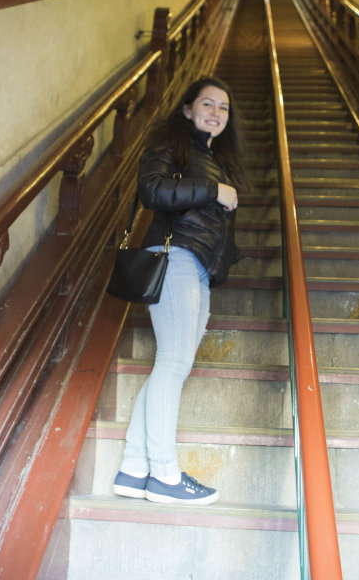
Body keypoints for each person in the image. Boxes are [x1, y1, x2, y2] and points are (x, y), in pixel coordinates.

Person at [112, 76, 248, 505]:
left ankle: (134, 469)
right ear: (187, 109)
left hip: (198, 266)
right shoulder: (175, 145)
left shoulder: (213, 158)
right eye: (207, 104)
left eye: (224, 108)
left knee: (174, 365)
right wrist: (214, 190)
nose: (216, 113)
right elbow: (151, 190)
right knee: (173, 363)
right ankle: (165, 476)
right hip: (175, 258)